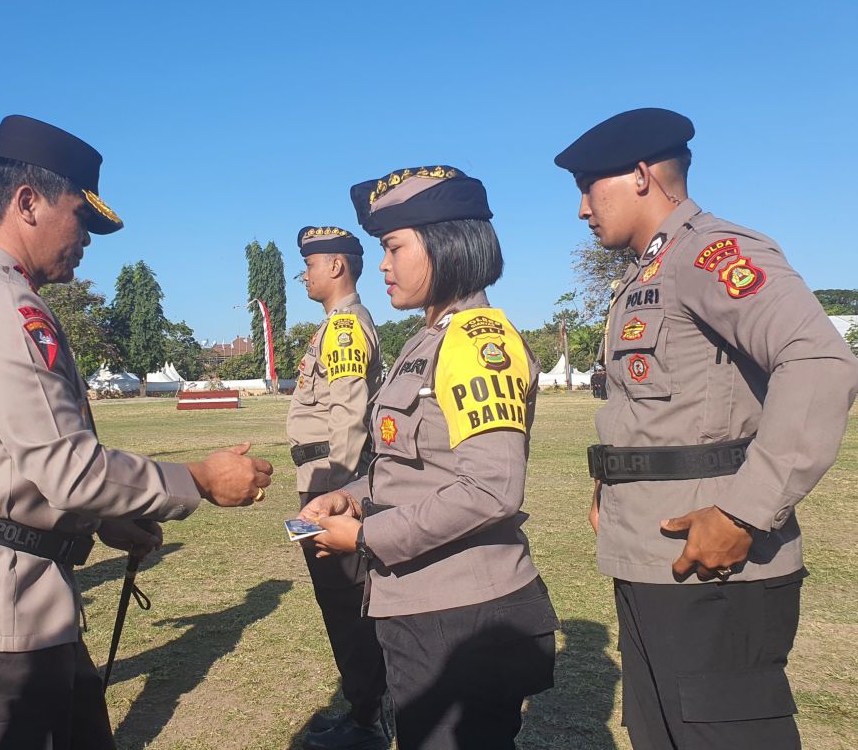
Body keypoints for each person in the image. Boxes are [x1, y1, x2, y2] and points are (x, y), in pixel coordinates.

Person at [0, 115, 273, 750]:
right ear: (27, 202)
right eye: (81, 217)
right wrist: (199, 481)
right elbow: (67, 467)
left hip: (10, 598)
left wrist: (98, 521)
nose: (87, 240)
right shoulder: (1, 306)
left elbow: (4, 461)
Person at [555, 107, 858, 750]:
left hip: (716, 563)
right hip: (653, 556)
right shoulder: (647, 273)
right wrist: (613, 482)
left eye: (589, 186)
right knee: (661, 734)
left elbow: (821, 360)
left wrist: (746, 512)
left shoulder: (713, 253)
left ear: (641, 175)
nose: (582, 208)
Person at [301, 166, 559, 750]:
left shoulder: (475, 338)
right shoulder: (428, 339)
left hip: (464, 612)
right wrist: (353, 496)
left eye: (394, 247)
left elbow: (492, 488)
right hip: (427, 603)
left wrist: (366, 538)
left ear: (445, 246)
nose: (384, 266)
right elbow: (413, 468)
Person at [287, 225, 388, 750]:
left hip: (331, 484)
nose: (302, 274)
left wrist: (335, 494)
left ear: (337, 267)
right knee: (341, 603)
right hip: (325, 481)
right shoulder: (332, 325)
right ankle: (364, 706)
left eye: (310, 263)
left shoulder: (344, 328)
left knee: (348, 604)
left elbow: (348, 418)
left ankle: (367, 718)